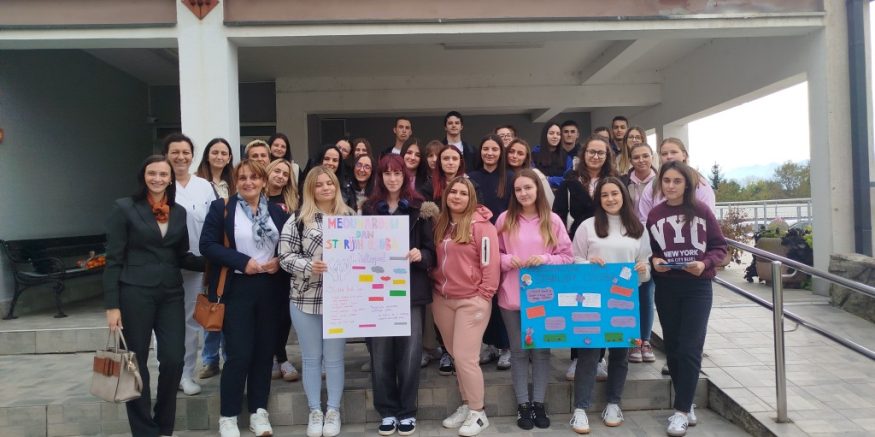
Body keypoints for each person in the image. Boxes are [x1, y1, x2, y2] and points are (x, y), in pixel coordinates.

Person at [104, 155, 203, 437]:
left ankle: (164, 426)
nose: (157, 178)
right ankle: (144, 431)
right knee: (135, 363)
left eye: (163, 174)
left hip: (170, 293)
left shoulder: (179, 212)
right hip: (134, 292)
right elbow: (113, 259)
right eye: (152, 173)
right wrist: (112, 305)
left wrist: (218, 261)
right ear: (143, 176)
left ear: (171, 179)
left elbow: (182, 255)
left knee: (173, 359)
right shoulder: (124, 208)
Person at [201, 160, 288, 437]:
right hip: (237, 287)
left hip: (270, 288)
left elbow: (287, 247)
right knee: (239, 353)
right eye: (242, 178)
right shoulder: (222, 208)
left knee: (264, 352)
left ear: (263, 182)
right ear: (236, 182)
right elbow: (207, 245)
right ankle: (228, 415)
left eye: (254, 177)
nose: (248, 182)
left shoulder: (277, 211)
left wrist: (279, 261)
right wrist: (242, 261)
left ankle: (258, 411)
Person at [646, 161, 727, 437]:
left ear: (687, 184)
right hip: (667, 287)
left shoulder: (701, 211)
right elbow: (650, 250)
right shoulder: (655, 214)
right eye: (666, 180)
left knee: (690, 347)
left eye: (677, 181)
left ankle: (680, 412)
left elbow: (719, 247)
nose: (671, 186)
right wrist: (654, 261)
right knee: (673, 347)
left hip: (697, 288)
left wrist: (704, 264)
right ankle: (686, 401)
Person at [361, 154, 438, 437]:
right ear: (380, 177)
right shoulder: (369, 209)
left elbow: (432, 252)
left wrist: (421, 255)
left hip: (411, 291)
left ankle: (406, 412)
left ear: (405, 176)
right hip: (377, 290)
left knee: (409, 354)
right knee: (380, 353)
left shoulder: (420, 208)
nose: (392, 178)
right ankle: (387, 410)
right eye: (387, 173)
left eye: (397, 173)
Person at [568, 177, 652, 434]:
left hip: (624, 301)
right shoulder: (587, 226)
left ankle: (614, 404)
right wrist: (588, 263)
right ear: (599, 199)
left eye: (615, 193)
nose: (610, 199)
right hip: (592, 302)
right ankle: (580, 409)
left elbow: (645, 268)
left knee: (620, 355)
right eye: (604, 195)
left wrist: (642, 269)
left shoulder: (637, 228)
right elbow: (574, 260)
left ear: (623, 196)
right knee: (589, 355)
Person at [278, 166, 355, 437]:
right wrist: (309, 266)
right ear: (310, 189)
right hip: (305, 300)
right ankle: (315, 411)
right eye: (319, 184)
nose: (325, 188)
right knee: (311, 359)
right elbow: (284, 257)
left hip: (341, 301)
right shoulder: (298, 219)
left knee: (334, 359)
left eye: (329, 183)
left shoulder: (350, 217)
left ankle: (332, 410)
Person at [495, 169, 572, 430]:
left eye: (528, 187)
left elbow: (567, 257)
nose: (523, 193)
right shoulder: (505, 219)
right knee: (518, 352)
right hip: (511, 296)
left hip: (543, 298)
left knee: (540, 351)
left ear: (538, 189)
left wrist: (546, 258)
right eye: (518, 189)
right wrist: (507, 260)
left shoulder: (552, 220)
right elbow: (492, 255)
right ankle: (523, 405)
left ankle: (538, 402)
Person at [432, 176, 500, 437]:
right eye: (453, 192)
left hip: (471, 300)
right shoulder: (441, 223)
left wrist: (484, 295)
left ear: (471, 197)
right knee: (455, 355)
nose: (457, 197)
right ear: (446, 195)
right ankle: (467, 403)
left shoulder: (482, 226)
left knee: (465, 357)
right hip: (443, 299)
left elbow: (490, 264)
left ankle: (478, 412)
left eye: (463, 193)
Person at [553, 134, 616, 381]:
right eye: (591, 152)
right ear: (583, 154)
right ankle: (577, 358)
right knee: (578, 304)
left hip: (605, 248)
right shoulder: (570, 182)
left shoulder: (613, 181)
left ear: (607, 156)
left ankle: (599, 359)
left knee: (601, 304)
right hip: (576, 249)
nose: (596, 156)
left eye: (601, 153)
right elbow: (558, 217)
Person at [165, 133, 217, 396]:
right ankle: (167, 374)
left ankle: (186, 374)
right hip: (164, 266)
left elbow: (214, 223)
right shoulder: (160, 182)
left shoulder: (204, 186)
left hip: (197, 265)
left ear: (192, 156)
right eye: (175, 152)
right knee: (164, 322)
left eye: (185, 152)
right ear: (166, 154)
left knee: (191, 323)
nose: (181, 157)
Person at [467, 134, 513, 370]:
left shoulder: (510, 177)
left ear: (500, 153)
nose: (490, 153)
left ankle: (506, 346)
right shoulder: (472, 178)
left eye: (494, 149)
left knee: (503, 295)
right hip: (479, 242)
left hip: (503, 241)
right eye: (486, 149)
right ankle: (490, 344)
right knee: (485, 294)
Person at [194, 138, 233, 379]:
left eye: (224, 153)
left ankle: (228, 357)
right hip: (207, 250)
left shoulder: (233, 183)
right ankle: (209, 359)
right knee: (212, 307)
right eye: (215, 152)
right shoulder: (197, 182)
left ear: (229, 158)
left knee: (225, 308)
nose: (219, 156)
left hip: (229, 251)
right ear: (207, 155)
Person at [264, 159, 301, 383]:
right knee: (267, 315)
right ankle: (274, 358)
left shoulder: (293, 202)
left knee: (284, 315)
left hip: (285, 266)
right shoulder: (257, 198)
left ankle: (281, 357)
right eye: (276, 171)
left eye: (285, 174)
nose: (280, 176)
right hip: (260, 266)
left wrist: (283, 258)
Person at [621, 142, 658, 364]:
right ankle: (632, 340)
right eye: (636, 157)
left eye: (645, 156)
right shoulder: (624, 182)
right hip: (627, 239)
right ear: (630, 159)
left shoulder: (661, 181)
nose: (641, 160)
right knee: (627, 293)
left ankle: (645, 340)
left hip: (652, 241)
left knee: (646, 292)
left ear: (652, 157)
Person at [505, 138, 554, 206]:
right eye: (511, 152)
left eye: (520, 154)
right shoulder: (501, 174)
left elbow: (549, 202)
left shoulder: (536, 174)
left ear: (526, 158)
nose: (514, 156)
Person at [531, 122, 564, 189]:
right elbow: (533, 176)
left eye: (558, 134)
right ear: (545, 135)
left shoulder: (566, 157)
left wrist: (547, 179)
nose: (555, 136)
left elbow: (568, 178)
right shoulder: (534, 155)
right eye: (551, 133)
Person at [400, 137, 431, 201]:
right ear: (403, 153)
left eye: (417, 155)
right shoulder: (393, 178)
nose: (412, 157)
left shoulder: (428, 182)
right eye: (409, 153)